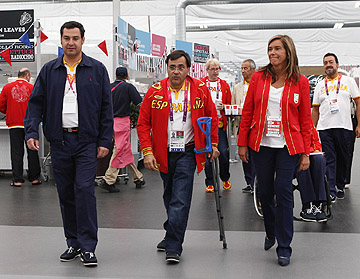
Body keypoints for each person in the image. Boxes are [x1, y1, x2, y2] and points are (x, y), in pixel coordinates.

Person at [24, 21, 113, 267]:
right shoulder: (49, 70)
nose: (71, 42)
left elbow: (107, 107)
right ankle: (73, 241)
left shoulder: (97, 69)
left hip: (86, 141)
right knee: (65, 193)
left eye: (75, 38)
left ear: (83, 40)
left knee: (84, 190)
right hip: (59, 141)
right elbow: (35, 103)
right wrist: (31, 131)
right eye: (66, 38)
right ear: (61, 41)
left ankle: (88, 246)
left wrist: (105, 139)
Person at [137, 50, 219, 263]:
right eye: (172, 67)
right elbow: (143, 123)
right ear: (167, 68)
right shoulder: (154, 91)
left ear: (188, 68)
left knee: (180, 199)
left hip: (188, 152)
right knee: (170, 196)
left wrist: (214, 144)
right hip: (162, 153)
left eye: (180, 67)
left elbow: (211, 117)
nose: (176, 71)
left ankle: (174, 245)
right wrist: (146, 151)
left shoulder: (200, 90)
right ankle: (170, 232)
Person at [238, 35, 312, 267]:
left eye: (277, 49)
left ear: (288, 52)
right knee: (265, 193)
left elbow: (306, 119)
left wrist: (307, 152)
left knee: (284, 192)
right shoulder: (259, 77)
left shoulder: (300, 81)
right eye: (270, 49)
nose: (272, 52)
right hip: (261, 144)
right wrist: (242, 143)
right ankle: (270, 230)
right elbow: (248, 111)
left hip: (288, 146)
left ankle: (284, 245)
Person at [312, 53, 360, 202]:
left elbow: (358, 104)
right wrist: (312, 128)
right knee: (329, 158)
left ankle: (340, 185)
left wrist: (359, 124)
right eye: (325, 62)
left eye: (331, 62)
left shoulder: (348, 81)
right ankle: (331, 189)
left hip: (345, 126)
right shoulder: (320, 85)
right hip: (325, 127)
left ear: (337, 65)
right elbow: (315, 109)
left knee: (343, 157)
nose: (328, 65)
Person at [99, 67, 145, 193]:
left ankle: (137, 177)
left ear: (115, 75)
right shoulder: (129, 87)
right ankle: (109, 179)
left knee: (125, 148)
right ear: (126, 76)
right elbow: (140, 104)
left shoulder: (108, 87)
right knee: (119, 150)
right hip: (122, 122)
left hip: (109, 122)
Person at [0, 68, 41, 187]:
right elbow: (38, 105)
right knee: (32, 150)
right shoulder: (32, 88)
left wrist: (9, 112)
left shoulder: (7, 88)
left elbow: (1, 105)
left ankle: (17, 179)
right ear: (27, 75)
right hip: (30, 124)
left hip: (14, 124)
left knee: (17, 152)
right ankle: (34, 178)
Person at [201, 58, 232, 193]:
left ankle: (225, 177)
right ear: (207, 70)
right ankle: (210, 182)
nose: (215, 71)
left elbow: (230, 105)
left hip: (219, 124)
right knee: (207, 155)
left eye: (217, 69)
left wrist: (224, 107)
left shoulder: (224, 85)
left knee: (224, 153)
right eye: (212, 69)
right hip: (205, 125)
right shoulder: (201, 84)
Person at [232, 59, 256, 193]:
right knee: (244, 154)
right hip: (241, 123)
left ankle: (257, 180)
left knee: (255, 155)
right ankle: (249, 182)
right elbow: (233, 105)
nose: (243, 71)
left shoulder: (259, 85)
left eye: (246, 68)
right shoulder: (237, 87)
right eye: (242, 68)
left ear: (253, 70)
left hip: (255, 125)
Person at [296, 125, 327, 223]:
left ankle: (318, 204)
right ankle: (307, 205)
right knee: (303, 163)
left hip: (309, 154)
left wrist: (315, 150)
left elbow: (316, 142)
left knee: (319, 160)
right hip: (293, 156)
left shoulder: (307, 122)